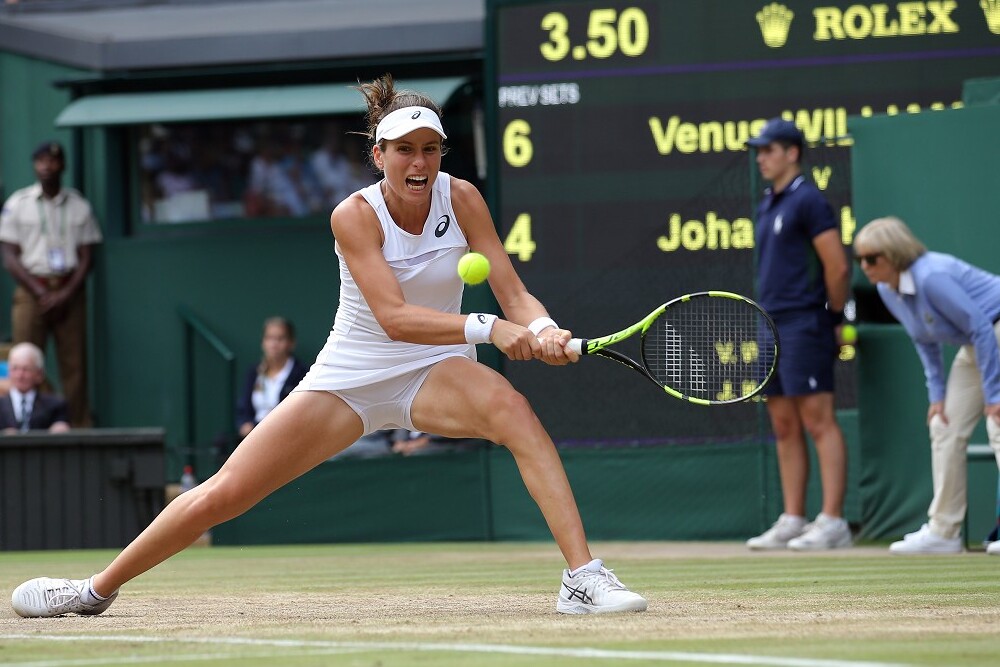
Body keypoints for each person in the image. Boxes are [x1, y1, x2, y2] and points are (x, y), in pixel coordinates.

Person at [10, 74, 647, 617]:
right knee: (228, 492)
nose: (419, 164)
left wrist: (538, 329)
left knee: (514, 413)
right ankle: (94, 590)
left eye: (431, 150)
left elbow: (513, 292)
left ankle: (581, 578)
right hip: (353, 372)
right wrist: (490, 331)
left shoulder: (465, 199)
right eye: (404, 151)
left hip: (437, 370)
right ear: (379, 155)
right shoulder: (354, 216)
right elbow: (395, 319)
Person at [853, 216, 1000, 556]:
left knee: (997, 423)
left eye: (872, 259)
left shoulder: (931, 277)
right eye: (860, 259)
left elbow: (979, 326)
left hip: (993, 331)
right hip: (977, 345)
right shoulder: (887, 291)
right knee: (943, 424)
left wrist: (993, 395)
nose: (866, 266)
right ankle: (944, 532)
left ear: (893, 254)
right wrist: (937, 395)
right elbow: (924, 339)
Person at [744, 118, 853, 551]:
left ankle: (833, 521)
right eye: (759, 150)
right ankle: (793, 518)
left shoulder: (809, 199)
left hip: (806, 322)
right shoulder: (767, 203)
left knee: (818, 421)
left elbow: (838, 265)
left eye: (768, 149)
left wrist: (837, 316)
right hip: (769, 324)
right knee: (784, 424)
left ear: (792, 152)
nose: (761, 158)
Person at [0, 141, 103, 427]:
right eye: (41, 161)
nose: (46, 167)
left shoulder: (79, 206)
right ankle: (29, 423)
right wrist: (40, 290)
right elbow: (9, 255)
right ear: (34, 166)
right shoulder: (18, 204)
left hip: (70, 290)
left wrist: (66, 292)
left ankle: (77, 426)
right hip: (32, 288)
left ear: (63, 166)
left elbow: (87, 256)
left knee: (75, 364)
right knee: (23, 361)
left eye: (52, 161)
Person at [235, 316, 308, 440]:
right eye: (269, 338)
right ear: (263, 342)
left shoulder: (301, 373)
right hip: (253, 437)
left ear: (291, 343)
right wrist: (244, 424)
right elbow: (244, 409)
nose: (274, 344)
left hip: (285, 437)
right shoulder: (254, 372)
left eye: (280, 338)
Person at [0, 342, 70, 433]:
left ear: (39, 374)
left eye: (26, 369)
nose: (20, 375)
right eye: (15, 369)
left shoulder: (55, 406)